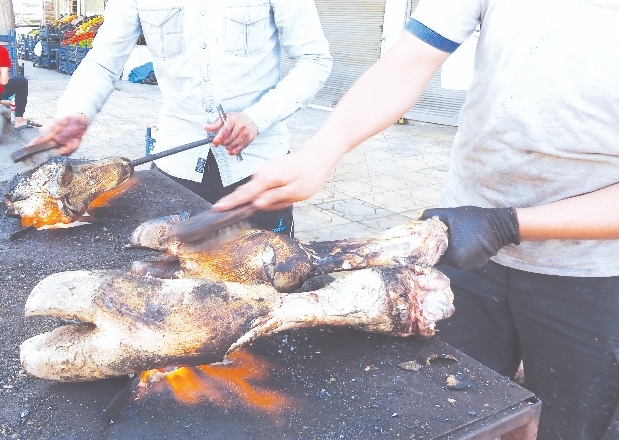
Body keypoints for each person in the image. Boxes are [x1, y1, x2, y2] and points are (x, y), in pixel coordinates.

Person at [214, 1, 619, 438]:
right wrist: (320, 152)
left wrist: (505, 225)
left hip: (591, 272)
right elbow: (407, 62)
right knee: (455, 409)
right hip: (467, 247)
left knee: (567, 425)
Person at [34, 0, 332, 236]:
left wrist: (257, 118)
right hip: (175, 168)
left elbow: (314, 60)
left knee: (269, 276)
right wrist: (77, 111)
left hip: (260, 168)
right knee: (173, 280)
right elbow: (103, 61)